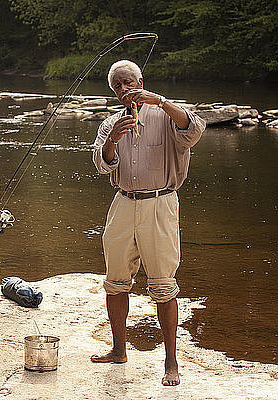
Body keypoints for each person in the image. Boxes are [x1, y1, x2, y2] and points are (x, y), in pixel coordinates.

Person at [91, 60, 206, 386]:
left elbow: (195, 130)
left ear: (141, 81)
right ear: (115, 94)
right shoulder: (111, 122)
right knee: (115, 280)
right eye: (119, 87)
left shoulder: (165, 115)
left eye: (130, 82)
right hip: (123, 203)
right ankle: (118, 349)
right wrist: (112, 139)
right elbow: (102, 164)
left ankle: (171, 361)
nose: (126, 90)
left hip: (161, 203)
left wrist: (160, 101)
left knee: (163, 283)